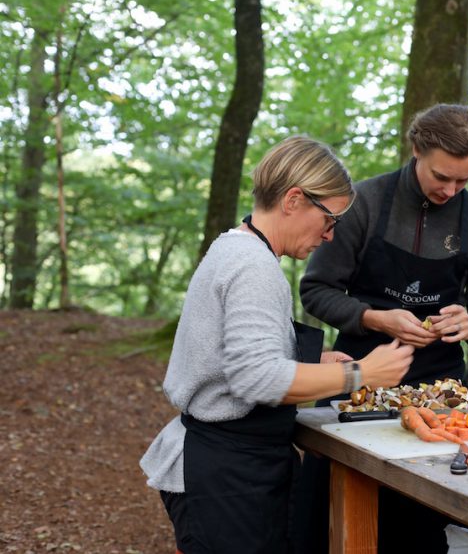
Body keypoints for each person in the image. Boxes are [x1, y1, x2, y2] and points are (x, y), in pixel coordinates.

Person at [139, 136, 414, 554]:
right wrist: (363, 372)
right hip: (227, 475)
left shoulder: (232, 246)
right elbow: (258, 379)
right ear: (293, 200)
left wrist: (312, 360)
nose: (329, 236)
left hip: (222, 465)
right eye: (329, 219)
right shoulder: (255, 267)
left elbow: (232, 353)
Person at [295, 104, 468, 553]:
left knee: (416, 528)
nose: (451, 190)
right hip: (354, 387)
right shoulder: (364, 204)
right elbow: (316, 290)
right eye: (441, 177)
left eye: (463, 181)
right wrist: (373, 317)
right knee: (324, 519)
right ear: (416, 150)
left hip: (438, 397)